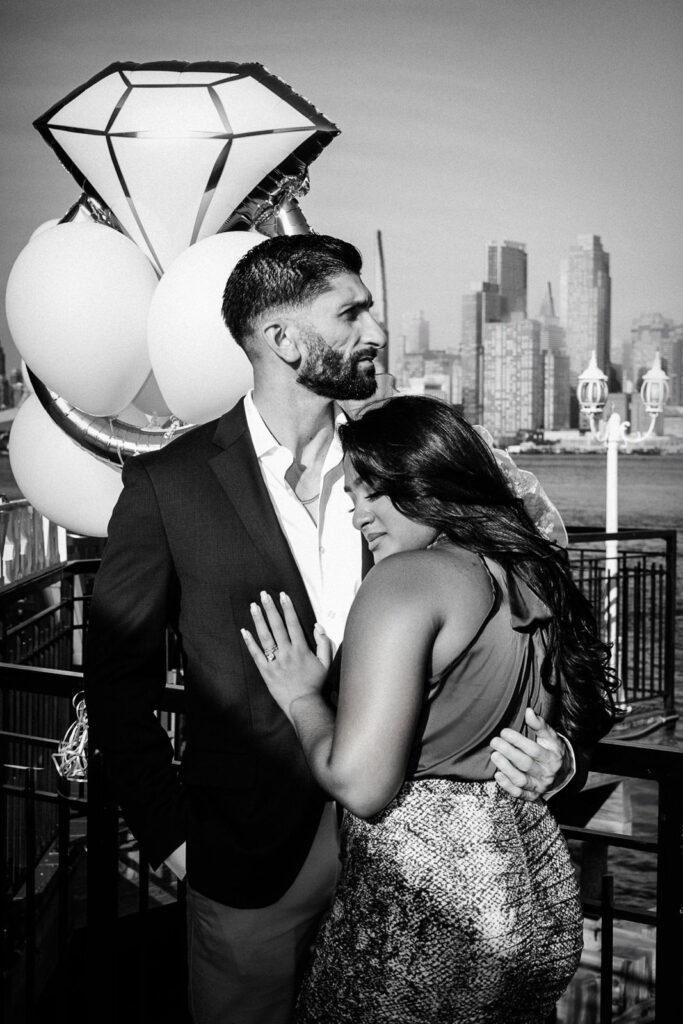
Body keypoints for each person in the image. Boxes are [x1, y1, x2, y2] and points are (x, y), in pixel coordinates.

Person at [84, 235, 576, 1024]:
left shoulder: (406, 471)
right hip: (248, 863)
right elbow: (115, 683)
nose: (374, 333)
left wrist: (559, 752)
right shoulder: (167, 485)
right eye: (350, 313)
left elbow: (531, 615)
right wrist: (175, 841)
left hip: (418, 875)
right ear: (282, 340)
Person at [242, 395, 619, 1024]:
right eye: (352, 494)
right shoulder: (533, 573)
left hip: (426, 916)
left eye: (371, 492)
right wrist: (566, 764)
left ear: (427, 481)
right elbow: (580, 722)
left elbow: (361, 785)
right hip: (533, 896)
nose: (356, 511)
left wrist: (302, 697)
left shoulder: (405, 582)